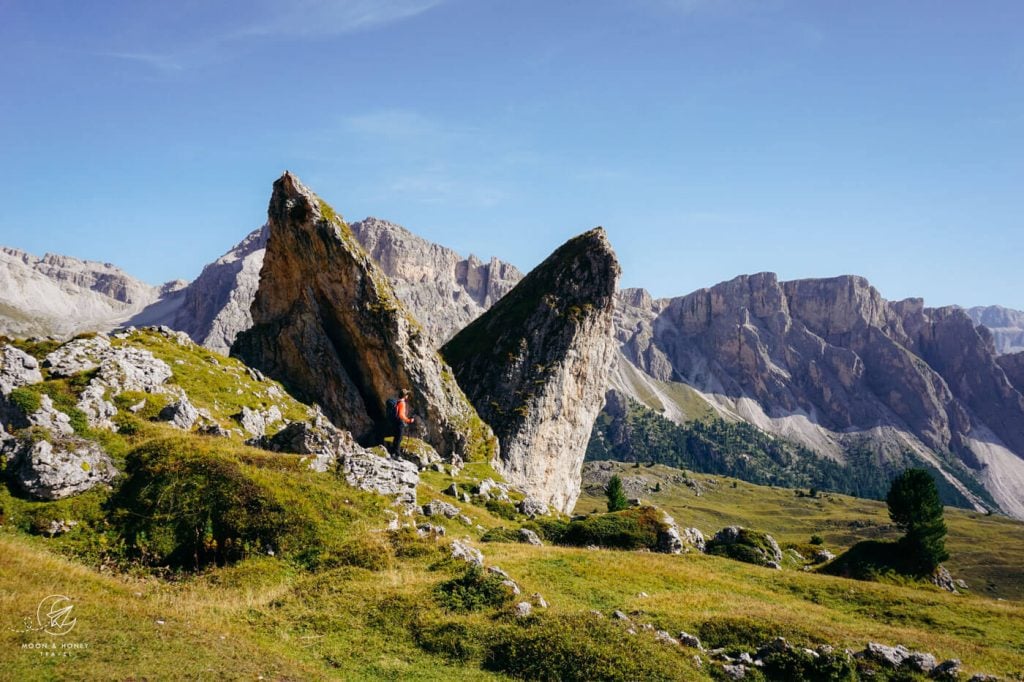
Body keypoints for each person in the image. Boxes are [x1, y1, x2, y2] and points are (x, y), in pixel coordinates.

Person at [390, 388, 415, 458]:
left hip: (395, 421)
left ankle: (393, 453)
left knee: (396, 437)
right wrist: (409, 420)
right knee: (399, 438)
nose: (407, 396)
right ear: (405, 395)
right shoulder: (402, 403)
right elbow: (401, 415)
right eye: (407, 394)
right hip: (400, 422)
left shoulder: (397, 402)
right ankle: (397, 455)